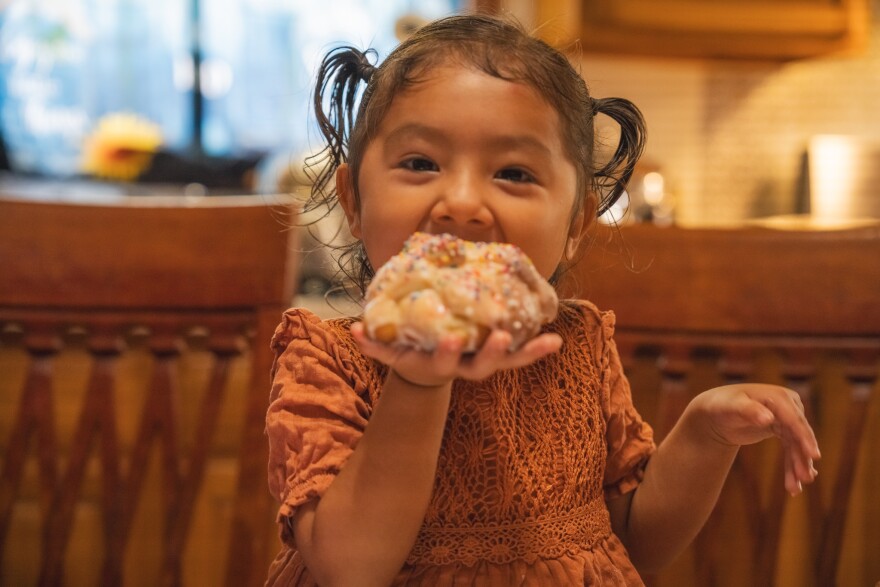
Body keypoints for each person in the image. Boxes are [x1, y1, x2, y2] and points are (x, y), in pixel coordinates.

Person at [265, 13, 820, 586]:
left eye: (512, 172)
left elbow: (633, 546)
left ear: (578, 220)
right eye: (420, 164)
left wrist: (706, 433)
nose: (461, 203)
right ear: (353, 199)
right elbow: (349, 568)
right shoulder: (325, 360)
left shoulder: (578, 346)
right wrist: (418, 380)